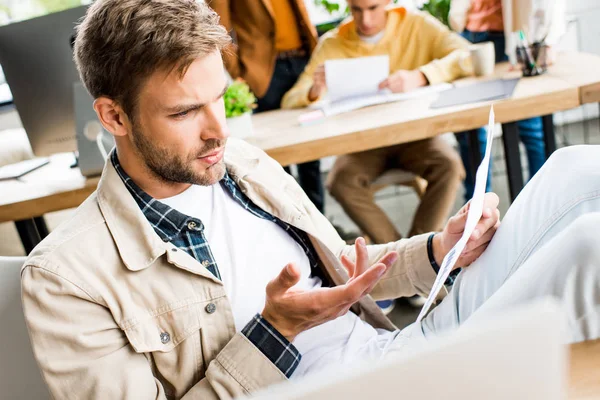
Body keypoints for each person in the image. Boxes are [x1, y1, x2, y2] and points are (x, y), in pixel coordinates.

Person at [21, 1, 600, 398]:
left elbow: (339, 276)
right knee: (590, 247)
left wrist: (438, 249)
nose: (217, 129)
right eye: (183, 112)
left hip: (403, 346)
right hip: (363, 388)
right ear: (112, 115)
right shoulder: (67, 279)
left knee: (576, 168)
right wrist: (274, 331)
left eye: (219, 98)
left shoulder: (239, 164)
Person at [281, 0, 469, 245]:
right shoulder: (334, 42)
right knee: (340, 181)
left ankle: (422, 249)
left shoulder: (416, 24)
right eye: (356, 10)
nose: (365, 20)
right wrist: (315, 89)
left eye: (373, 8)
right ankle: (399, 254)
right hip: (364, 145)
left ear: (388, 3)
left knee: (449, 165)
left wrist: (421, 76)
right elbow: (290, 99)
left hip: (415, 136)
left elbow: (465, 54)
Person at [208, 0, 325, 213]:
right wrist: (240, 73)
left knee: (311, 154)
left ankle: (322, 225)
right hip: (265, 74)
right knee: (277, 161)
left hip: (302, 61)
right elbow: (217, 26)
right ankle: (293, 227)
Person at [449, 0, 566, 199]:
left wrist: (549, 40)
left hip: (512, 39)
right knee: (471, 131)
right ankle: (476, 208)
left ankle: (539, 203)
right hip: (470, 35)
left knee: (530, 128)